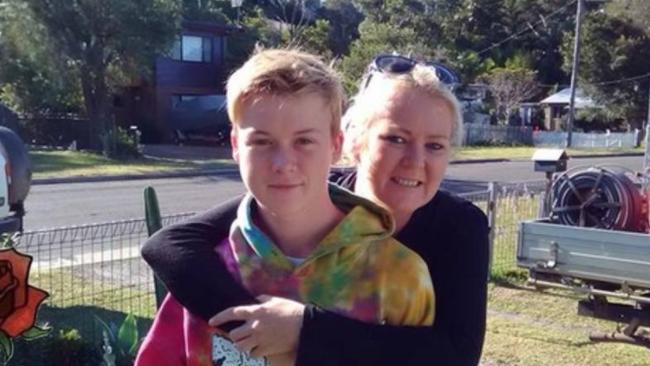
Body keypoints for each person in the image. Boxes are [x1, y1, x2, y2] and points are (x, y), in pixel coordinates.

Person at [142, 53, 489, 366]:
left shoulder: (439, 244)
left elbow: (454, 354)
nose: (415, 161)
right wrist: (248, 323)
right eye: (395, 138)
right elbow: (169, 244)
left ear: (331, 144)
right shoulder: (291, 197)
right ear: (352, 142)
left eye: (435, 145)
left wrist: (303, 331)